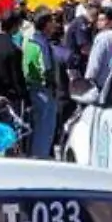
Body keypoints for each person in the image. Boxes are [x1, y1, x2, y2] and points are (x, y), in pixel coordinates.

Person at [22, 9, 63, 157]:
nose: (54, 24)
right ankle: (40, 157)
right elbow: (46, 68)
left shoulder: (30, 40)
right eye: (51, 21)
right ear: (45, 24)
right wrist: (52, 85)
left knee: (38, 127)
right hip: (43, 91)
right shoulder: (42, 43)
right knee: (44, 129)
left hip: (33, 89)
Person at [0, 11, 29, 116]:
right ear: (14, 26)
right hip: (9, 98)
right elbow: (17, 78)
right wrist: (25, 96)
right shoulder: (14, 50)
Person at [84, 5, 112, 94]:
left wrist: (88, 80)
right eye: (98, 20)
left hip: (102, 86)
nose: (99, 22)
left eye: (102, 20)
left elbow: (95, 63)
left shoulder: (102, 37)